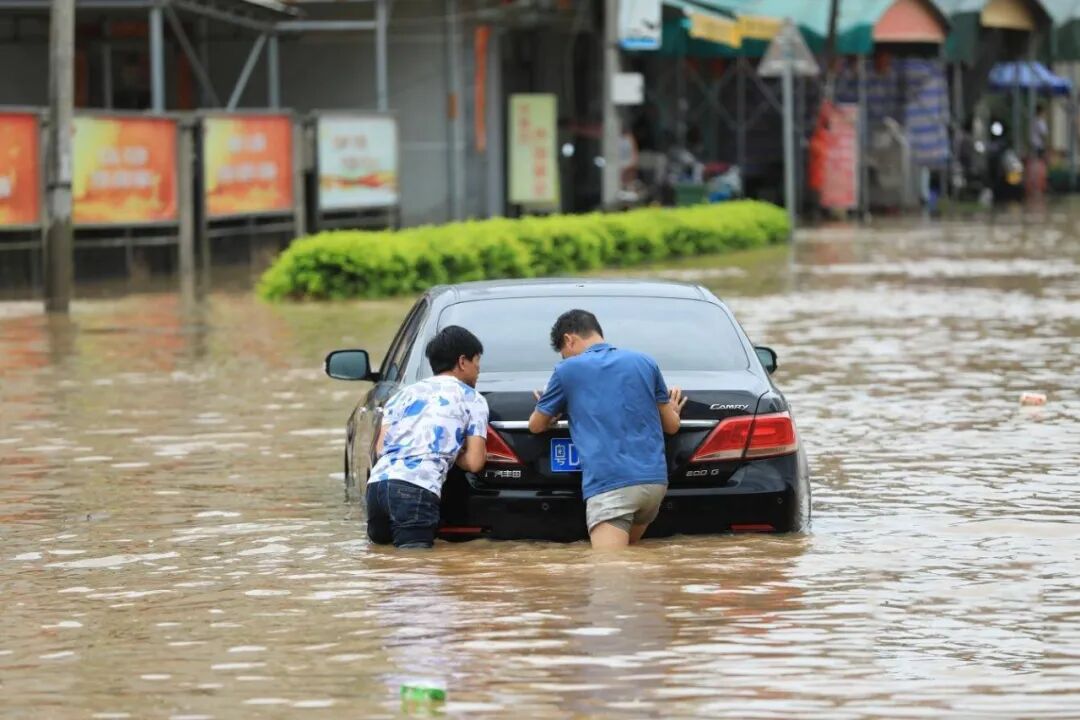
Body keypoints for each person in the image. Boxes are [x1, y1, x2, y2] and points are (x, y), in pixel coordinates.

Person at [528, 310, 687, 550]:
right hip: (654, 484)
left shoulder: (567, 370)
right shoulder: (644, 361)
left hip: (611, 487)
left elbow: (536, 425)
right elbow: (672, 427)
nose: (565, 358)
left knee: (610, 574)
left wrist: (553, 412)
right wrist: (672, 408)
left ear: (569, 339)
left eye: (563, 352)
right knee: (632, 562)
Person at [366, 326, 489, 549]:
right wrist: (453, 449)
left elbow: (381, 448)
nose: (479, 368)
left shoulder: (402, 395)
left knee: (382, 560)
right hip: (415, 487)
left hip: (376, 487)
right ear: (463, 361)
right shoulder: (472, 398)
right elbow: (474, 462)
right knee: (417, 571)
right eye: (477, 360)